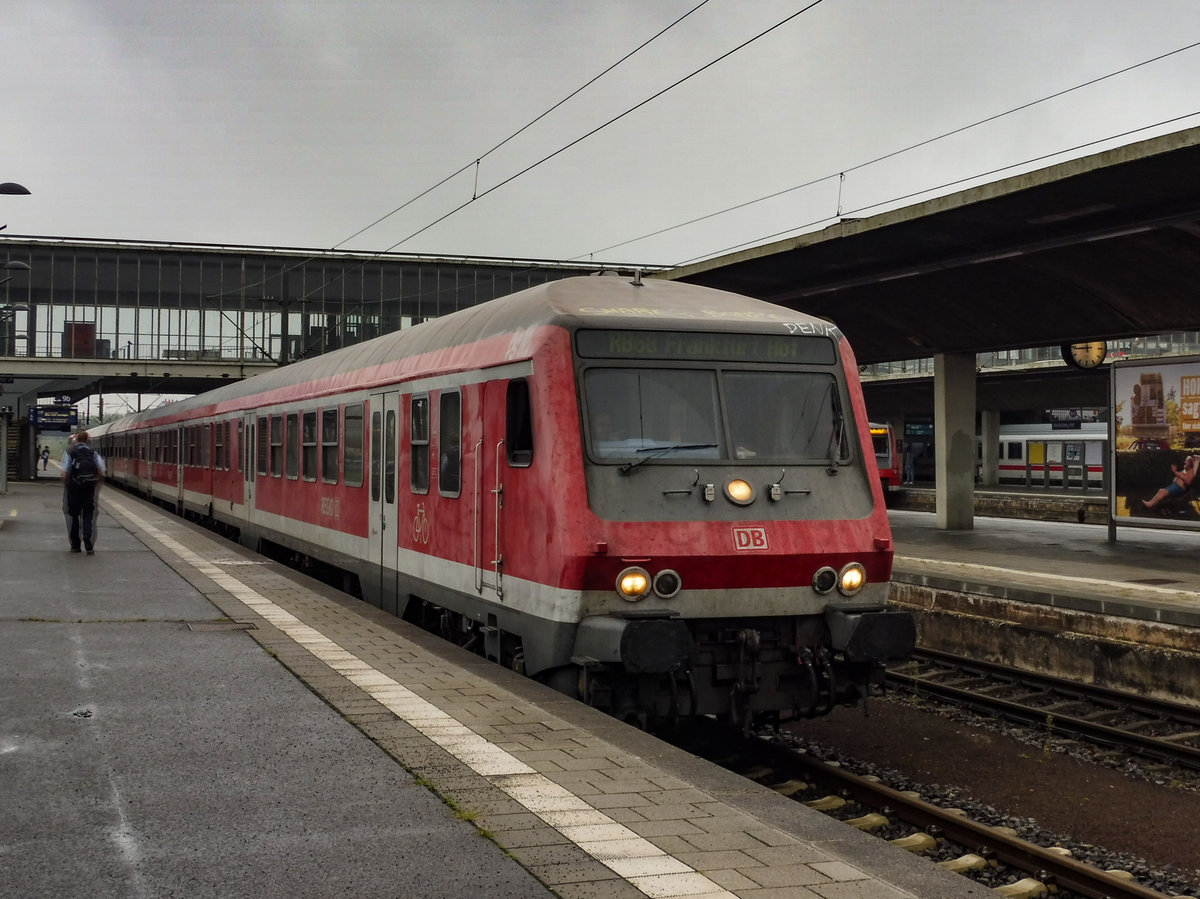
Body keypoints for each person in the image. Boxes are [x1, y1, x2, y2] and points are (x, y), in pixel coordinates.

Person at [61, 429, 106, 554]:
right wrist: (94, 486)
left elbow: (65, 473)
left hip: (74, 489)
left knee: (73, 516)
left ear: (75, 440)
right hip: (89, 489)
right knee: (88, 514)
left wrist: (67, 487)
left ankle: (75, 545)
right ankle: (88, 540)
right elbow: (102, 472)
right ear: (87, 441)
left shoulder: (70, 453)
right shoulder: (93, 454)